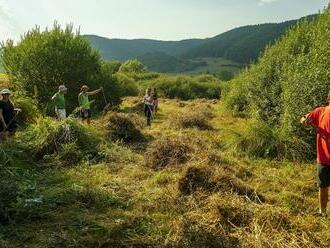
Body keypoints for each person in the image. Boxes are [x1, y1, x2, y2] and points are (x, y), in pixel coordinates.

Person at [301, 91, 330, 217]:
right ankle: (322, 212)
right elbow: (303, 118)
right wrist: (305, 120)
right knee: (323, 186)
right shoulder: (320, 111)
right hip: (323, 157)